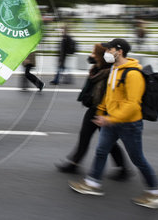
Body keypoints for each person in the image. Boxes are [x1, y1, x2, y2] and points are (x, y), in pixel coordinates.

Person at [69, 38, 158, 209]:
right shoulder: (114, 69)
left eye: (109, 50)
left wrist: (110, 118)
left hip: (129, 124)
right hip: (111, 121)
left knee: (138, 159)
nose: (107, 53)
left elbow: (132, 104)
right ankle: (93, 183)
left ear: (119, 51)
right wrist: (101, 113)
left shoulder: (132, 74)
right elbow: (109, 96)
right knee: (101, 151)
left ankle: (157, 192)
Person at [55, 44, 130, 180]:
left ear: (100, 56)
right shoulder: (97, 69)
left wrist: (105, 114)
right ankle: (75, 163)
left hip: (103, 110)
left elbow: (108, 94)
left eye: (93, 53)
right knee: (86, 136)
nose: (91, 55)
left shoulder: (109, 72)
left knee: (108, 141)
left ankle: (122, 169)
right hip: (94, 108)